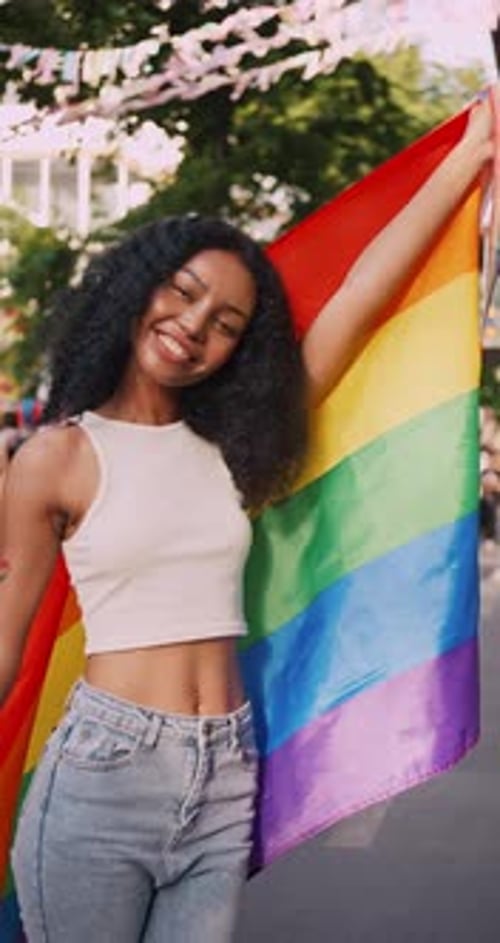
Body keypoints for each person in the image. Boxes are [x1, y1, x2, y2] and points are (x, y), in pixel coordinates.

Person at [0, 95, 495, 943]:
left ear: (242, 349)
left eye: (225, 323)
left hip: (226, 768)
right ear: (137, 286)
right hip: (102, 774)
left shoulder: (233, 451)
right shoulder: (57, 456)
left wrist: (471, 155)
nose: (193, 327)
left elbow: (362, 293)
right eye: (183, 294)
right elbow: (7, 639)